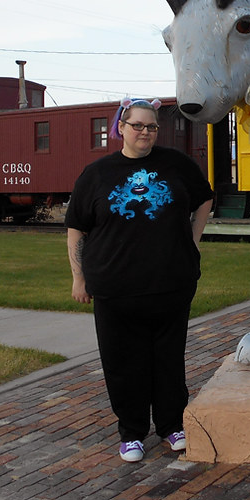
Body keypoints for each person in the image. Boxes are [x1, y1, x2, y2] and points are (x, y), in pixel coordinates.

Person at [65, 97, 214, 463]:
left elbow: (204, 199)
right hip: (115, 288)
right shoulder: (96, 174)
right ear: (121, 127)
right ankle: (131, 432)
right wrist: (78, 277)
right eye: (137, 125)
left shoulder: (176, 164)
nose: (145, 132)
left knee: (168, 360)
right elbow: (76, 229)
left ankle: (171, 425)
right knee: (122, 363)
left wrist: (193, 240)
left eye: (151, 127)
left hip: (170, 284)